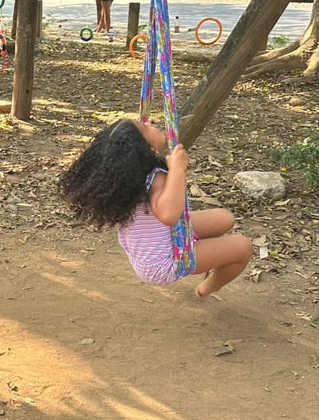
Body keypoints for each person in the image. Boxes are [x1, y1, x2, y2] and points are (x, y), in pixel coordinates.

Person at [58, 118, 252, 298]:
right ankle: (207, 288)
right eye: (146, 127)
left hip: (157, 243)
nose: (150, 122)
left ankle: (206, 252)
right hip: (164, 263)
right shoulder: (155, 177)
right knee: (243, 247)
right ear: (145, 148)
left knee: (225, 218)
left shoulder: (132, 178)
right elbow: (168, 214)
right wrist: (177, 169)